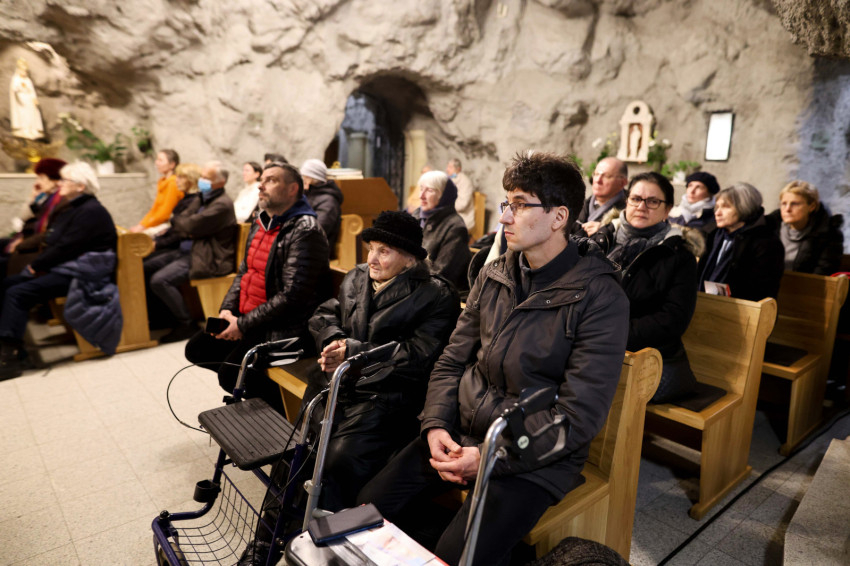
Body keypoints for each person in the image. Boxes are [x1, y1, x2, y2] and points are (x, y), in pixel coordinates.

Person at [358, 151, 630, 566]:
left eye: (519, 205)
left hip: (534, 455)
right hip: (464, 431)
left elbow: (577, 417)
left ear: (559, 217)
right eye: (507, 203)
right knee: (368, 508)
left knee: (456, 556)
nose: (504, 217)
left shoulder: (600, 296)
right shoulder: (495, 273)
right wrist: (436, 424)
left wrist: (489, 457)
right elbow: (451, 360)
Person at [237, 211, 461, 566]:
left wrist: (354, 353)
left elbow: (421, 354)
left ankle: (326, 551)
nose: (372, 258)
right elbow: (324, 314)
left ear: (410, 258)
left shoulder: (435, 294)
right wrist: (334, 339)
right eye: (371, 248)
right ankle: (267, 542)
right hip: (336, 385)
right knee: (297, 453)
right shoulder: (357, 277)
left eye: (384, 251)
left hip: (388, 397)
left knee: (337, 460)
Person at [184, 162, 330, 414]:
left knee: (230, 375)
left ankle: (288, 415)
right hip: (251, 317)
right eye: (262, 179)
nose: (261, 185)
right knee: (197, 348)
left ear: (292, 189)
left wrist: (242, 326)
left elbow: (293, 296)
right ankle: (265, 399)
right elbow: (245, 271)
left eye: (271, 180)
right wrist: (228, 311)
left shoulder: (305, 229)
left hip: (285, 327)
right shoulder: (261, 221)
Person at [592, 172, 702, 403]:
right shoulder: (602, 239)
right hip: (589, 343)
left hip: (641, 354)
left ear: (667, 209)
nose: (642, 207)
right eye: (636, 199)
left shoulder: (678, 255)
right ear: (627, 201)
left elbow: (673, 319)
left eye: (653, 201)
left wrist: (612, 334)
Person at [0, 162, 117, 380]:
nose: (60, 183)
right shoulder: (75, 207)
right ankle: (16, 349)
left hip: (84, 273)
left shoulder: (90, 211)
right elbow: (55, 240)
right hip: (69, 266)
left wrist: (36, 266)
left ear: (81, 186)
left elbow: (66, 247)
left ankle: (10, 359)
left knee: (17, 293)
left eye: (65, 180)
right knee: (7, 285)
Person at [144, 161, 237, 343]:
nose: (202, 180)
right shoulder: (203, 197)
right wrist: (185, 225)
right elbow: (179, 219)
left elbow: (189, 224)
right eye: (202, 176)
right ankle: (162, 318)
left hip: (207, 257)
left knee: (160, 280)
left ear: (221, 182)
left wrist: (186, 226)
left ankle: (186, 324)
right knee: (145, 267)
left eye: (207, 178)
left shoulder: (222, 204)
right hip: (190, 250)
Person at [698, 183, 785, 301]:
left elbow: (759, 289)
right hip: (703, 301)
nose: (717, 213)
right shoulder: (712, 234)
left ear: (744, 208)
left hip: (740, 307)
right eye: (717, 207)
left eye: (726, 207)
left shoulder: (766, 243)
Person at [1, 158, 67, 277]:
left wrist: (21, 244)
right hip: (27, 238)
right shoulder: (45, 197)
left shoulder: (59, 200)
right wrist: (32, 198)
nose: (37, 182)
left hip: (38, 248)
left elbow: (47, 232)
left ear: (55, 180)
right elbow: (24, 217)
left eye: (41, 178)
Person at [765, 180, 844, 275]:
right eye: (784, 204)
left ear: (812, 206)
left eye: (795, 204)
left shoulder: (829, 234)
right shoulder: (770, 227)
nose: (787, 209)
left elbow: (821, 274)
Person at [416, 170, 472, 294]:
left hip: (437, 295)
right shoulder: (415, 216)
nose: (421, 196)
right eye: (421, 189)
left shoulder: (456, 228)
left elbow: (441, 276)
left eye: (429, 190)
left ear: (444, 196)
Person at [130, 149, 183, 234]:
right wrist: (141, 225)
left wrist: (143, 227)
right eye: (157, 160)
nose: (156, 163)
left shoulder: (173, 183)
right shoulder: (163, 181)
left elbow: (165, 214)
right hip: (159, 223)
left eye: (160, 160)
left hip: (169, 225)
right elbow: (154, 209)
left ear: (172, 164)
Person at [573, 157, 628, 236]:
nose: (598, 180)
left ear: (623, 182)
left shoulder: (628, 213)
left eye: (607, 176)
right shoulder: (577, 205)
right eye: (596, 174)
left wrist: (606, 231)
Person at [300, 159, 343, 255]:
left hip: (316, 252)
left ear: (309, 178)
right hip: (303, 247)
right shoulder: (307, 195)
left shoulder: (329, 201)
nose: (302, 179)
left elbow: (316, 231)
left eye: (304, 176)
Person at [10, 58, 44, 140]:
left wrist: (34, 99)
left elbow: (31, 90)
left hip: (29, 99)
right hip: (21, 100)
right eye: (23, 71)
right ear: (19, 70)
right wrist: (19, 90)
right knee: (24, 115)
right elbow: (14, 89)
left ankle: (32, 129)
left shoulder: (28, 80)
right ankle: (24, 129)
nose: (24, 73)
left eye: (25, 71)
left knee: (32, 114)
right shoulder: (16, 79)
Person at [446, 158, 475, 231]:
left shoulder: (465, 182)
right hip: (449, 215)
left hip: (462, 217)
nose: (447, 169)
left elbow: (462, 205)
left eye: (450, 167)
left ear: (458, 169)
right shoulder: (447, 181)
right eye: (447, 167)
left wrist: (446, 207)